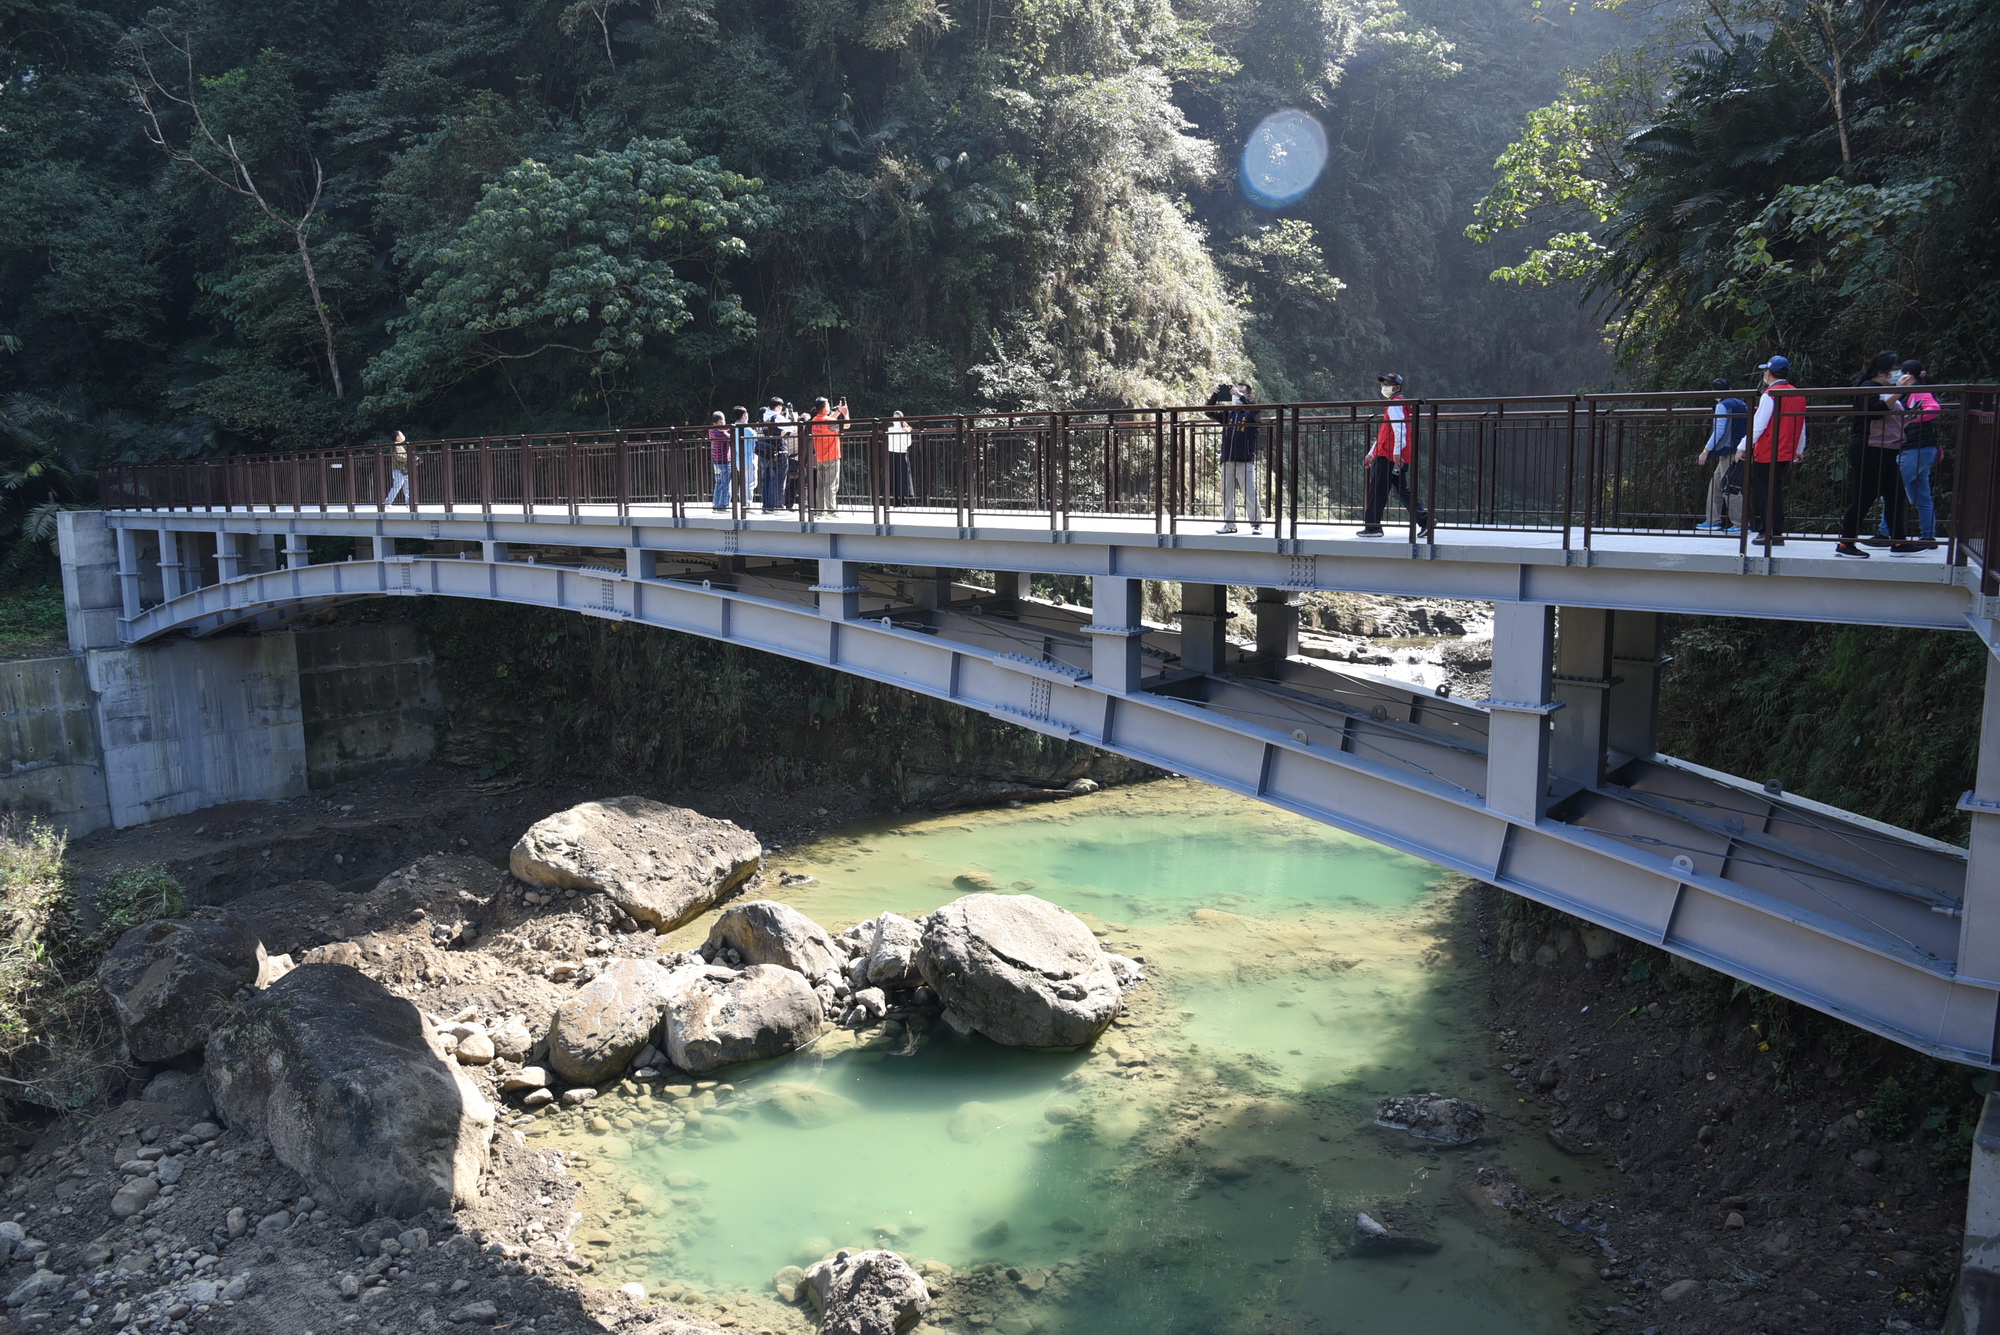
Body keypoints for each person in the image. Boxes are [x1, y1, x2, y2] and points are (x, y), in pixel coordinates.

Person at [1838, 350, 1920, 557]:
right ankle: (1845, 543)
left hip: (1888, 450)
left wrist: (1909, 417)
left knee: (1896, 495)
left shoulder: (1888, 390)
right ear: (1882, 372)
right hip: (1869, 450)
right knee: (1865, 497)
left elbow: (1889, 419)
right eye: (1896, 369)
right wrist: (1898, 391)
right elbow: (1874, 412)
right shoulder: (1868, 388)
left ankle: (1899, 542)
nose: (1899, 373)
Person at [1359, 373, 1431, 538]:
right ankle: (1425, 520)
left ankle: (1373, 527)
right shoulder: (1398, 404)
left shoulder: (1395, 404)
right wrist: (1371, 453)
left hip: (1389, 455)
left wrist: (1396, 453)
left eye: (1388, 384)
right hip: (1391, 453)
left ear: (1397, 387)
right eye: (1384, 383)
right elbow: (1386, 433)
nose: (1384, 387)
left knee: (1377, 490)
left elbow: (1400, 429)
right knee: (1402, 490)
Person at [1745, 355, 1805, 547]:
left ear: (1769, 373)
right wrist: (1799, 448)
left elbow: (1758, 426)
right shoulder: (1797, 394)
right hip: (1786, 450)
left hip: (1767, 450)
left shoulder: (1770, 394)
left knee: (1766, 493)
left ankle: (1767, 532)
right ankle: (1775, 531)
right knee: (1775, 491)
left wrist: (1742, 447)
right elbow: (1801, 423)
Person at [1895, 360, 1943, 549]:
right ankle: (1928, 536)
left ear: (1907, 374)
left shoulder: (1917, 389)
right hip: (1923, 448)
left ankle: (1885, 532)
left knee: (1894, 490)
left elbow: (1934, 409)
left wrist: (1910, 419)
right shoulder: (1913, 390)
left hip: (1915, 448)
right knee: (1922, 494)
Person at [1695, 378, 1748, 533]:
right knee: (1716, 484)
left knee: (1731, 486)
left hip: (1729, 450)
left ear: (1714, 392)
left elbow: (1719, 431)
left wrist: (1706, 451)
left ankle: (1740, 524)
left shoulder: (1722, 406)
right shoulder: (1741, 403)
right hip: (1739, 448)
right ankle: (1713, 520)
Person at [1215, 383, 1261, 534]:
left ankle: (1256, 524)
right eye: (1234, 393)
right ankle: (1230, 525)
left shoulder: (1251, 414)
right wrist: (1215, 395)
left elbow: (1255, 410)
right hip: (1227, 460)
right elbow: (1209, 412)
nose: (1236, 395)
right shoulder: (1228, 413)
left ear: (1249, 396)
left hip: (1244, 459)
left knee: (1249, 493)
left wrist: (1240, 396)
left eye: (1241, 393)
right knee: (1226, 494)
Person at [808, 396, 846, 516]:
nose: (829, 406)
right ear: (825, 407)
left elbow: (830, 421)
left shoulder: (815, 420)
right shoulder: (830, 421)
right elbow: (846, 425)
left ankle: (820, 511)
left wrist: (838, 411)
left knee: (820, 486)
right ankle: (831, 511)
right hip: (832, 457)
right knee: (831, 485)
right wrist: (846, 414)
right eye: (828, 404)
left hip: (820, 457)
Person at [759, 397, 789, 513]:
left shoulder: (764, 417)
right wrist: (789, 418)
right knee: (779, 479)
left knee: (769, 480)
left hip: (769, 451)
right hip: (780, 450)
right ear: (777, 407)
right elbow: (792, 426)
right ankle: (778, 506)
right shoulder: (777, 417)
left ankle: (768, 506)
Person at [731, 405, 758, 508]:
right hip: (749, 460)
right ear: (743, 415)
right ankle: (747, 504)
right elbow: (757, 441)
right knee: (750, 483)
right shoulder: (748, 430)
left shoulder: (733, 429)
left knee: (743, 482)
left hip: (738, 460)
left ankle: (743, 502)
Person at [886, 410, 914, 504]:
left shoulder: (905, 429)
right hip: (891, 452)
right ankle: (895, 499)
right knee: (893, 476)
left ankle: (902, 499)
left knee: (903, 476)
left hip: (902, 453)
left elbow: (908, 443)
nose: (896, 420)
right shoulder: (890, 429)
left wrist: (907, 433)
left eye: (897, 418)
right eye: (894, 418)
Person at [707, 411, 733, 511]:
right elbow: (728, 436)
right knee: (726, 484)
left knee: (718, 483)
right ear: (718, 422)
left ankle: (716, 504)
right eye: (723, 421)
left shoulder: (712, 431)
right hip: (724, 461)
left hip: (716, 461)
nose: (724, 422)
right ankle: (723, 505)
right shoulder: (720, 433)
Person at [383, 430, 411, 505]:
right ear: (397, 437)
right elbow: (398, 456)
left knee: (407, 486)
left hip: (403, 469)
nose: (403, 436)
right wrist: (409, 457)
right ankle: (388, 502)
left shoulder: (400, 445)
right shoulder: (396, 445)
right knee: (398, 486)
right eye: (402, 434)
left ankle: (409, 502)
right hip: (398, 469)